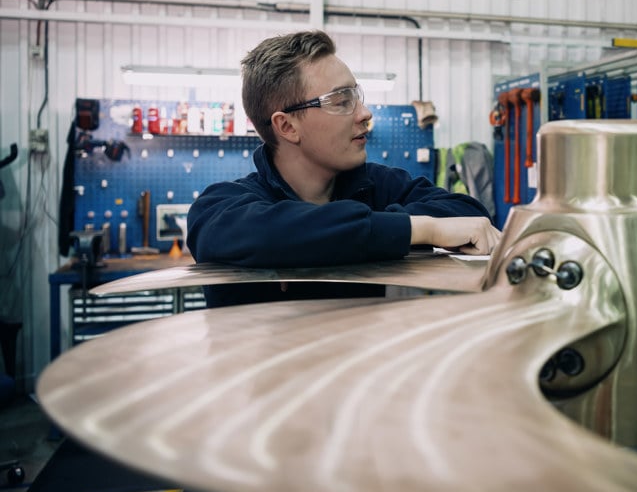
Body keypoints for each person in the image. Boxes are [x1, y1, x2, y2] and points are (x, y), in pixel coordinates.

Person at [186, 30, 501, 308]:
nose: (365, 113)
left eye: (357, 95)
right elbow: (270, 232)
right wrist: (423, 229)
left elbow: (467, 214)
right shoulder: (222, 209)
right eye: (341, 101)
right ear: (287, 126)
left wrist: (374, 231)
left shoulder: (379, 184)